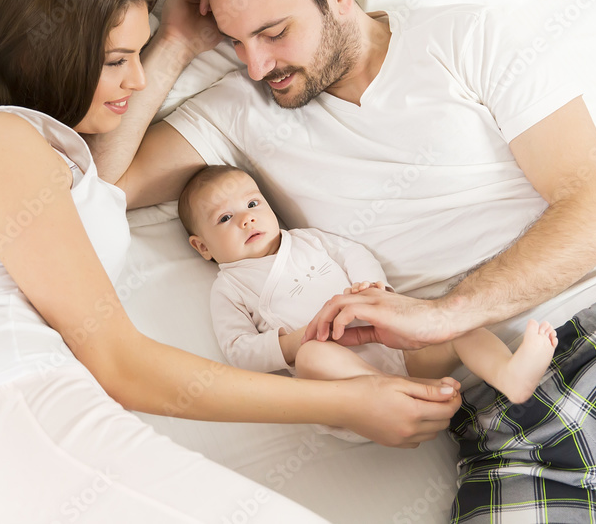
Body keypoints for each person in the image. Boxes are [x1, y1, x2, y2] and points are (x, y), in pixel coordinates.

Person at [86, 0, 596, 522]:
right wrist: (179, 43)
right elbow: (100, 184)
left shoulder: (468, 38)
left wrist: (445, 314)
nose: (256, 64)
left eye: (273, 32)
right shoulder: (237, 111)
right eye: (235, 41)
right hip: (506, 421)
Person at [0, 0, 459, 524]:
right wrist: (343, 401)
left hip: (42, 429)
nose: (137, 79)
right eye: (118, 60)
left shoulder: (62, 164)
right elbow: (122, 363)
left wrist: (170, 36)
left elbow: (107, 179)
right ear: (54, 49)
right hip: (25, 424)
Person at [179, 164, 558, 426]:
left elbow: (355, 254)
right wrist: (294, 343)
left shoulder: (308, 240)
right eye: (225, 218)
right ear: (202, 247)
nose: (246, 218)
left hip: (395, 348)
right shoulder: (229, 287)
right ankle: (404, 393)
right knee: (314, 355)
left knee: (452, 323)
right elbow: (238, 350)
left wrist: (374, 290)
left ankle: (509, 374)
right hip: (345, 387)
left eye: (252, 204)